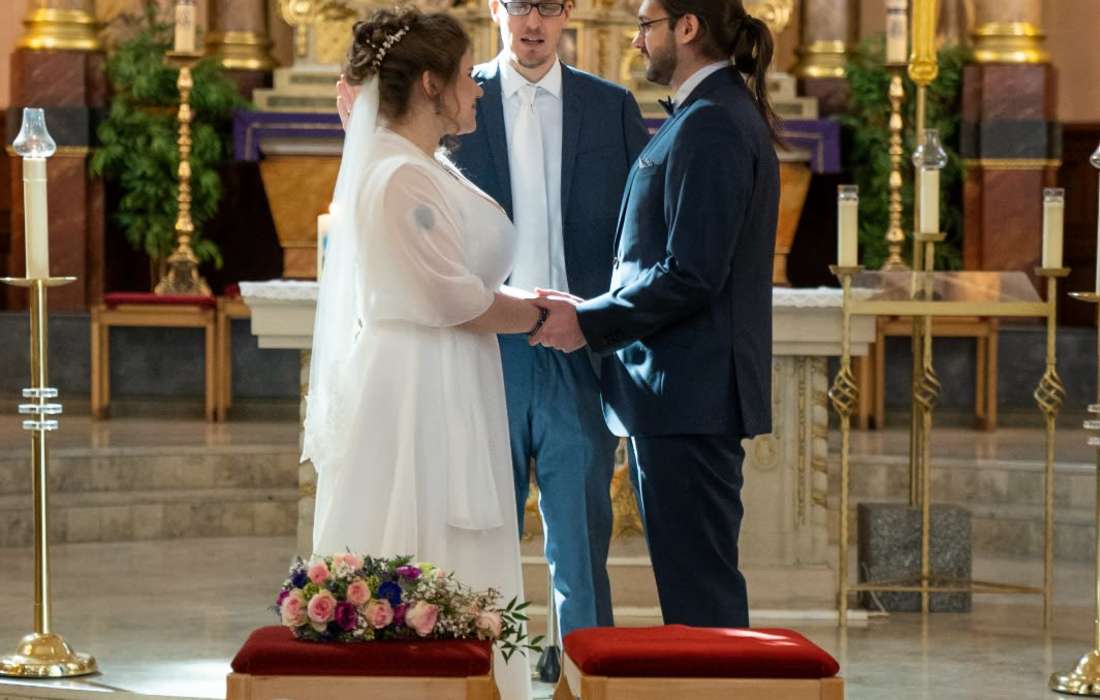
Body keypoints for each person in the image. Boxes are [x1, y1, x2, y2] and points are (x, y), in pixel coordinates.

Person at [306, 9, 540, 699]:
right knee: (418, 524)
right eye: (467, 75)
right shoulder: (399, 175)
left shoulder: (417, 163)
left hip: (448, 370)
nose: (479, 88)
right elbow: (452, 298)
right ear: (432, 84)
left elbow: (458, 279)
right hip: (416, 386)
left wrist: (527, 300)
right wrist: (543, 316)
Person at [532, 0, 780, 628]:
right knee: (693, 594)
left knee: (701, 600)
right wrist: (594, 308)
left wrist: (590, 321)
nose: (637, 41)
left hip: (689, 397)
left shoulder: (712, 122)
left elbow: (692, 273)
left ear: (687, 27)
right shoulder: (703, 114)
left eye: (646, 25)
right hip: (679, 397)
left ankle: (717, 682)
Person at [449, 0, 649, 639]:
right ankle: (486, 669)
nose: (532, 23)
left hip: (577, 345)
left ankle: (582, 669)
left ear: (569, 13)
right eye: (519, 5)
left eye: (549, 6)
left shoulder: (611, 106)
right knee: (484, 534)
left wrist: (613, 323)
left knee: (582, 542)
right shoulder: (457, 99)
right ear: (494, 8)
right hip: (487, 346)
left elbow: (640, 226)